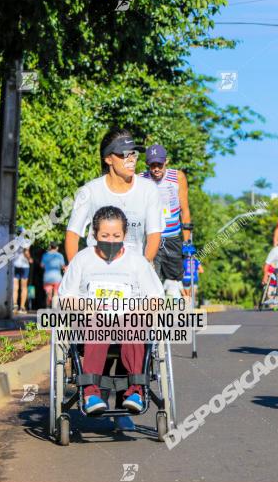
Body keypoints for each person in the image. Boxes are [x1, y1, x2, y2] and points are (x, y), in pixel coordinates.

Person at [57, 206, 164, 415]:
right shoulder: (82, 259)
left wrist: (139, 311)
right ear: (95, 234)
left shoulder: (136, 261)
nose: (111, 240)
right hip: (93, 318)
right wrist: (86, 307)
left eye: (116, 235)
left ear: (124, 234)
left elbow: (157, 299)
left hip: (129, 317)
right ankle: (91, 392)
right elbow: (66, 298)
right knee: (99, 321)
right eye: (105, 235)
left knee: (132, 322)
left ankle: (136, 391)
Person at [65, 128, 163, 264]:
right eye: (124, 154)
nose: (132, 160)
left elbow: (154, 234)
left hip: (133, 272)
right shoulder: (89, 191)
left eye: (133, 154)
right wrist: (74, 269)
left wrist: (144, 267)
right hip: (96, 271)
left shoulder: (149, 189)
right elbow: (73, 233)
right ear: (108, 159)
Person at [139, 144, 194, 286]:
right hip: (151, 237)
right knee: (152, 279)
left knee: (173, 281)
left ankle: (176, 304)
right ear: (147, 165)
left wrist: (186, 241)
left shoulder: (178, 177)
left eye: (159, 164)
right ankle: (155, 306)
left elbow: (185, 210)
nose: (156, 169)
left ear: (166, 162)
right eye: (152, 165)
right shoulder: (140, 179)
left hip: (172, 237)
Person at [12, 227, 32, 313]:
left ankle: (14, 306)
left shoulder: (13, 240)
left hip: (15, 264)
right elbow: (26, 252)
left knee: (15, 286)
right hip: (24, 266)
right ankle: (22, 307)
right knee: (24, 287)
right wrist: (30, 259)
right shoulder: (27, 241)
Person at [40, 242, 66, 307]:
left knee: (48, 293)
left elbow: (42, 265)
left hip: (47, 277)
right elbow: (63, 266)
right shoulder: (60, 256)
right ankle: (54, 309)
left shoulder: (45, 255)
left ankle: (48, 308)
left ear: (50, 247)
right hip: (57, 277)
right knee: (56, 293)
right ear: (57, 247)